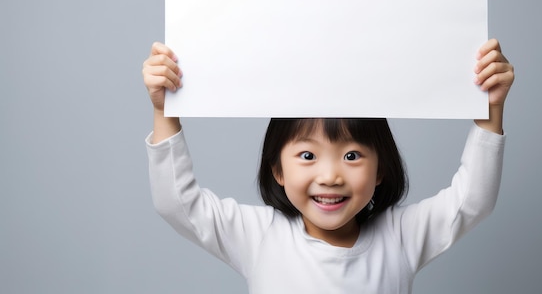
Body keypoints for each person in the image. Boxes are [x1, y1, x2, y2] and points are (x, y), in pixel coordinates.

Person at [142, 39, 514, 293]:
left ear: (381, 168)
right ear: (278, 170)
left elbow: (472, 201)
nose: (331, 176)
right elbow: (178, 204)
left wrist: (491, 107)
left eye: (352, 156)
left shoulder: (401, 236)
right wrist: (164, 110)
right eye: (307, 156)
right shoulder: (259, 236)